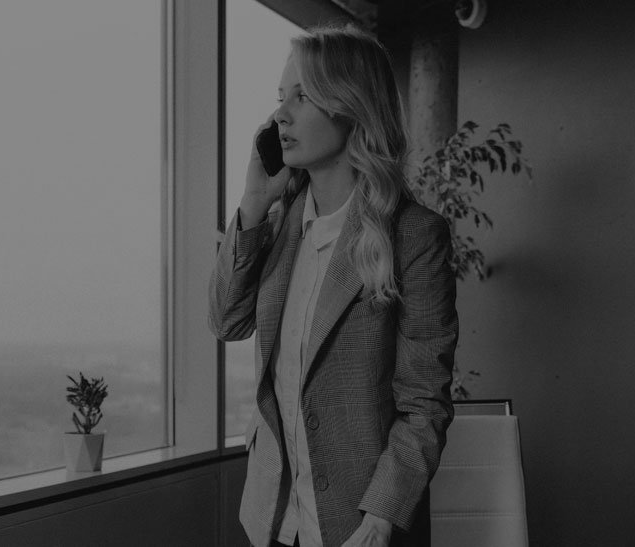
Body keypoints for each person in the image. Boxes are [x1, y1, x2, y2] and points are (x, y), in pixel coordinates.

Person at [209, 24, 458, 547]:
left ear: (351, 106)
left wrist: (379, 519)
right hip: (275, 521)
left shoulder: (414, 235)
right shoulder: (278, 222)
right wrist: (253, 203)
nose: (280, 115)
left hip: (361, 527)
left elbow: (422, 405)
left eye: (302, 96)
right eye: (281, 97)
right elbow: (226, 321)